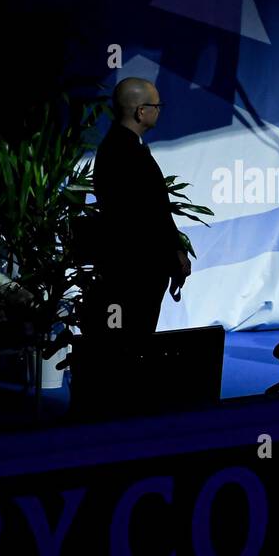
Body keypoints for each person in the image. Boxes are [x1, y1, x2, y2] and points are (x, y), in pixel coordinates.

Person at [81, 77, 191, 411]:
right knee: (132, 341)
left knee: (128, 341)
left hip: (132, 266)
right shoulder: (125, 151)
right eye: (156, 106)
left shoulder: (118, 147)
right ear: (141, 111)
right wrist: (174, 253)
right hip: (136, 270)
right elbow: (148, 215)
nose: (160, 111)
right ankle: (126, 411)